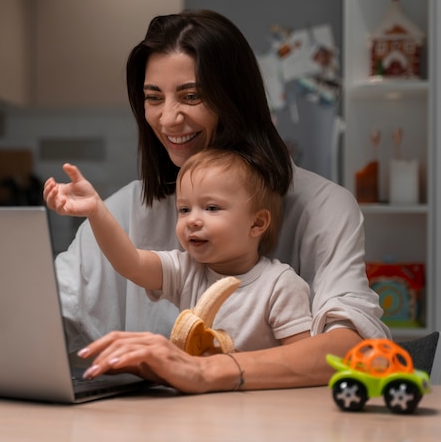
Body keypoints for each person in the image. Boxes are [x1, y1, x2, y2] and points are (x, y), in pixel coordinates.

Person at [49, 9, 390, 393]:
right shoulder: (122, 208)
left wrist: (202, 371)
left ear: (235, 98)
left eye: (191, 95)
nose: (169, 118)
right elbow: (46, 311)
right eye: (153, 98)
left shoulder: (323, 208)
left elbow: (350, 347)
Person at [45, 148, 312, 355]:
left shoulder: (281, 285)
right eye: (184, 209)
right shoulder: (186, 271)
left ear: (257, 223)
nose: (192, 220)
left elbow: (300, 359)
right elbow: (132, 263)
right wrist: (96, 211)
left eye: (211, 208)